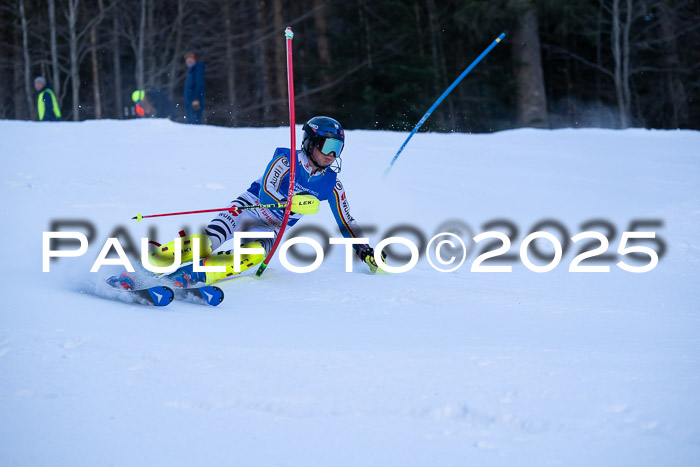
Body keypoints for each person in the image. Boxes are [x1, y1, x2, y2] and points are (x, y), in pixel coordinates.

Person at [108, 116, 383, 290]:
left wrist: (364, 251)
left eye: (337, 149)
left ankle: (194, 276)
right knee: (207, 242)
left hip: (269, 228)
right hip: (247, 208)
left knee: (253, 255)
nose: (331, 155)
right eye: (327, 147)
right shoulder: (285, 159)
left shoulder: (331, 184)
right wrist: (293, 203)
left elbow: (347, 222)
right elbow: (265, 192)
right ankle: (139, 269)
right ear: (310, 143)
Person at [183, 51, 205, 124]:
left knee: (195, 123)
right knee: (190, 123)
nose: (189, 60)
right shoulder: (191, 71)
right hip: (189, 101)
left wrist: (196, 98)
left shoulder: (198, 69)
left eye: (191, 58)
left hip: (194, 101)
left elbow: (199, 84)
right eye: (187, 58)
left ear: (194, 59)